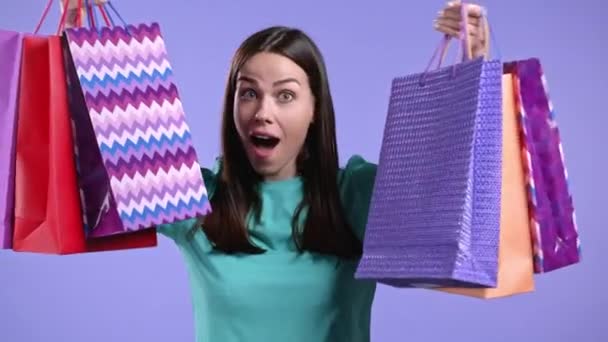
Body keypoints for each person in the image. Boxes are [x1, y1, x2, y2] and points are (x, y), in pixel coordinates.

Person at [61, 1, 488, 341]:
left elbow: (457, 199)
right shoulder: (194, 198)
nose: (262, 112)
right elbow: (88, 164)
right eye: (248, 93)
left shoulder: (356, 194)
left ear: (315, 109)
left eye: (285, 96)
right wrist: (78, 48)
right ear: (232, 106)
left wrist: (475, 67)